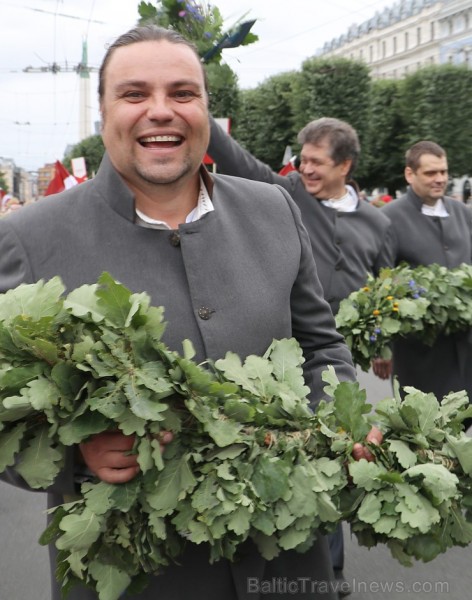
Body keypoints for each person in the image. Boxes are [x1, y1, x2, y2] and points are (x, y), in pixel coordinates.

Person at [0, 25, 379, 600]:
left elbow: (322, 346)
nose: (161, 111)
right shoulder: (28, 238)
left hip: (286, 565)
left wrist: (336, 422)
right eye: (133, 95)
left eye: (183, 93)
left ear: (206, 109)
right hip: (136, 580)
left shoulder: (274, 208)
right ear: (101, 111)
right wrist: (72, 449)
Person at [207, 114, 395, 592]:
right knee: (301, 452)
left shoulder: (376, 219)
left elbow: (385, 284)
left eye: (316, 162)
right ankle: (314, 562)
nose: (304, 169)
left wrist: (383, 340)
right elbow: (236, 160)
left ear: (345, 166)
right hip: (290, 351)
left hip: (339, 352)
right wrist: (199, 112)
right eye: (302, 159)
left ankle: (329, 568)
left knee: (337, 447)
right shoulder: (285, 193)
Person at [376, 141, 472, 403]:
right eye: (431, 173)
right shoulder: (388, 219)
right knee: (424, 434)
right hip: (420, 354)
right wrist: (381, 347)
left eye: (443, 172)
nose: (440, 179)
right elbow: (380, 284)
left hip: (466, 349)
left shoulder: (464, 214)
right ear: (410, 174)